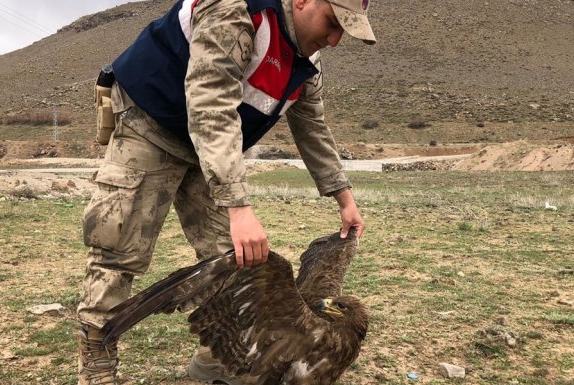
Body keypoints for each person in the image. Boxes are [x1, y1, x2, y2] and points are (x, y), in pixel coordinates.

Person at [75, 0, 376, 384]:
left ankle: (217, 357)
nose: (333, 40)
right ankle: (98, 362)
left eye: (343, 34)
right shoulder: (236, 12)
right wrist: (238, 206)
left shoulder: (306, 65)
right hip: (150, 125)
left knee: (232, 264)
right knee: (118, 249)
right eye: (332, 23)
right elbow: (210, 106)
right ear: (302, 1)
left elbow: (312, 128)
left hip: (211, 151)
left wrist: (344, 199)